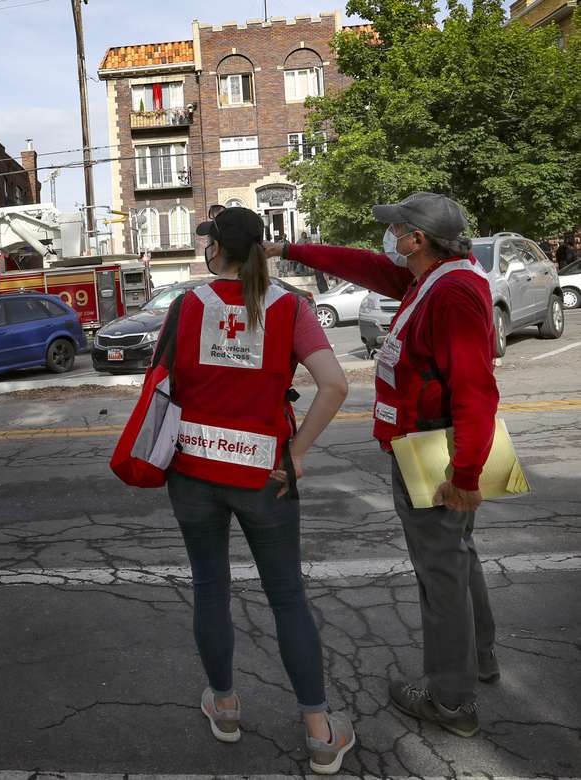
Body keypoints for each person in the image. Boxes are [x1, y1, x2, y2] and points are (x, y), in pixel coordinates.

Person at [265, 192, 500, 738]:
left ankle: (450, 700)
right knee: (458, 557)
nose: (390, 239)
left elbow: (475, 390)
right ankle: (478, 658)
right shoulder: (431, 279)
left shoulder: (453, 292)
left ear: (418, 239)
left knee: (439, 574)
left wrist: (463, 477)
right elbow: (364, 266)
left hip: (435, 451)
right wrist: (291, 248)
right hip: (433, 444)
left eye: (397, 231)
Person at [167, 207, 355, 774]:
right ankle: (320, 732)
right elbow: (335, 385)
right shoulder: (291, 307)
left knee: (210, 587)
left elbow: (164, 382)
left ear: (215, 251)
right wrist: (295, 456)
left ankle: (224, 707)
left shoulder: (187, 304)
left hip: (194, 469)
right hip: (263, 473)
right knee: (287, 596)